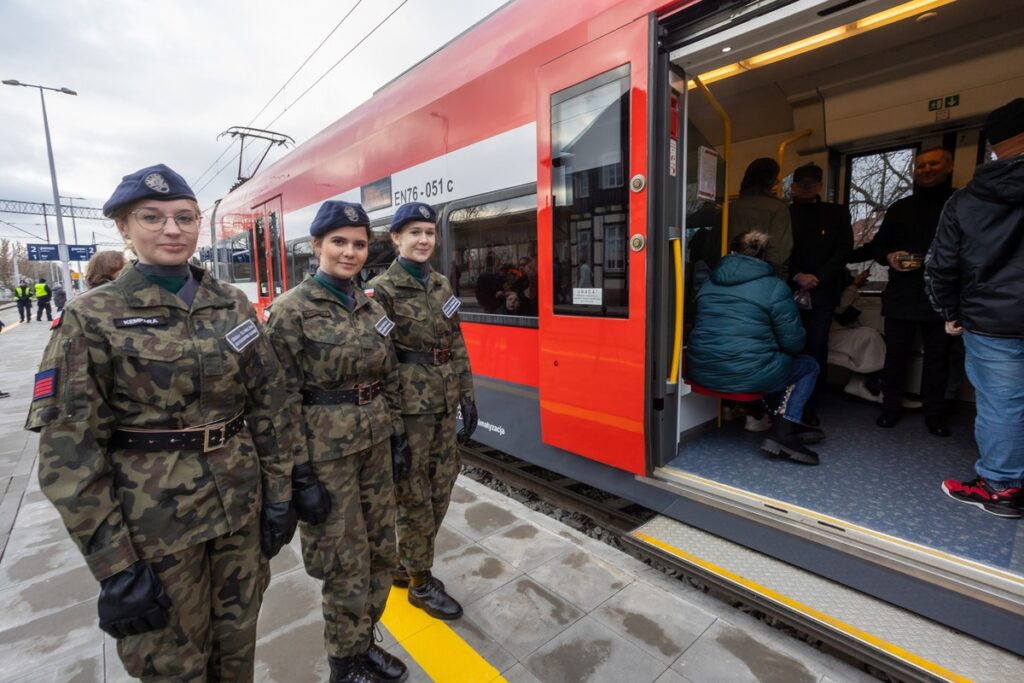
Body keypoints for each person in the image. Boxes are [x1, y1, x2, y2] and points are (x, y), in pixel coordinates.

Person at [25, 164, 299, 681]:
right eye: (152, 217)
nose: (172, 229)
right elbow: (69, 453)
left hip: (239, 508)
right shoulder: (93, 317)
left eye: (185, 217)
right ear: (124, 230)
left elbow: (270, 404)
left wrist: (280, 493)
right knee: (173, 665)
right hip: (154, 529)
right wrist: (115, 565)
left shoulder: (231, 304)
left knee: (237, 647)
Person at [266, 200, 410, 683]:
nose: (350, 252)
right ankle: (343, 661)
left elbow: (388, 375)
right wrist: (296, 472)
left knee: (381, 552)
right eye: (339, 242)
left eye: (359, 243)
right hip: (325, 456)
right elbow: (278, 400)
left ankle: (363, 641)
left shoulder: (369, 305)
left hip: (374, 444)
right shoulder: (291, 311)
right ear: (317, 247)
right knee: (342, 560)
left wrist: (398, 435)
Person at [369, 202, 478, 620]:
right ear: (396, 238)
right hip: (410, 411)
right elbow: (381, 361)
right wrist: (393, 423)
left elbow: (455, 342)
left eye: (429, 232)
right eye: (413, 232)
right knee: (413, 494)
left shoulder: (441, 285)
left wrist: (468, 395)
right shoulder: (383, 291)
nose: (423, 240)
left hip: (442, 402)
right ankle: (419, 581)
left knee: (443, 481)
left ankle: (403, 561)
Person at [926, 98, 1024, 518]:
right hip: (993, 316)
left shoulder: (965, 201)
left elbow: (941, 265)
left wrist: (951, 312)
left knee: (1002, 403)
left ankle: (1002, 486)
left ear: (993, 145)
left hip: (991, 320)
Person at [687, 231, 822, 465]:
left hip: (702, 370)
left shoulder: (708, 283)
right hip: (748, 375)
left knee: (760, 359)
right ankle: (784, 431)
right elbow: (794, 343)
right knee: (808, 366)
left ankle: (760, 414)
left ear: (731, 252)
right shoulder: (775, 287)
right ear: (764, 255)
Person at [871, 147, 957, 436]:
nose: (927, 169)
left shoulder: (960, 203)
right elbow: (878, 246)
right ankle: (890, 407)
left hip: (944, 294)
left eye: (934, 163)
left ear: (949, 167)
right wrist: (890, 257)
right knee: (895, 355)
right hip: (902, 293)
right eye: (921, 165)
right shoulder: (900, 208)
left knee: (938, 359)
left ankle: (935, 413)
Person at [787, 164, 853, 421]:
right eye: (800, 183)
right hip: (788, 290)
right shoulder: (784, 214)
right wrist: (797, 275)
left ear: (819, 186)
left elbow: (843, 250)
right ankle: (784, 400)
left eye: (810, 183)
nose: (805, 187)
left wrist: (819, 278)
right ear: (792, 186)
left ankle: (810, 405)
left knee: (816, 347)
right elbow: (779, 252)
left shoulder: (836, 214)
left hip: (823, 293)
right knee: (789, 345)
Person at [728, 158, 793, 276]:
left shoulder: (729, 208)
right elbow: (779, 253)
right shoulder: (778, 208)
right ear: (769, 181)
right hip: (763, 278)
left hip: (729, 273)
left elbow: (711, 249)